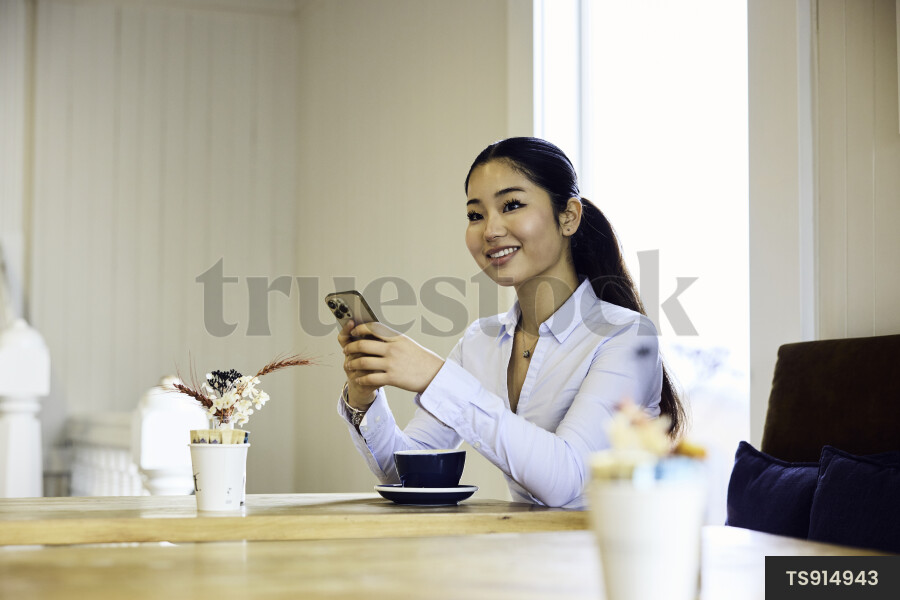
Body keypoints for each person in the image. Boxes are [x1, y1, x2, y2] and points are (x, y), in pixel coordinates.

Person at [336, 137, 684, 509]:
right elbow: (408, 474)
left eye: (512, 205)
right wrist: (364, 398)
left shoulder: (627, 336)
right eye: (475, 215)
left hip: (607, 546)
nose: (490, 230)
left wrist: (436, 377)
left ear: (568, 216)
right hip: (520, 544)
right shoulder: (480, 342)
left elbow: (566, 478)